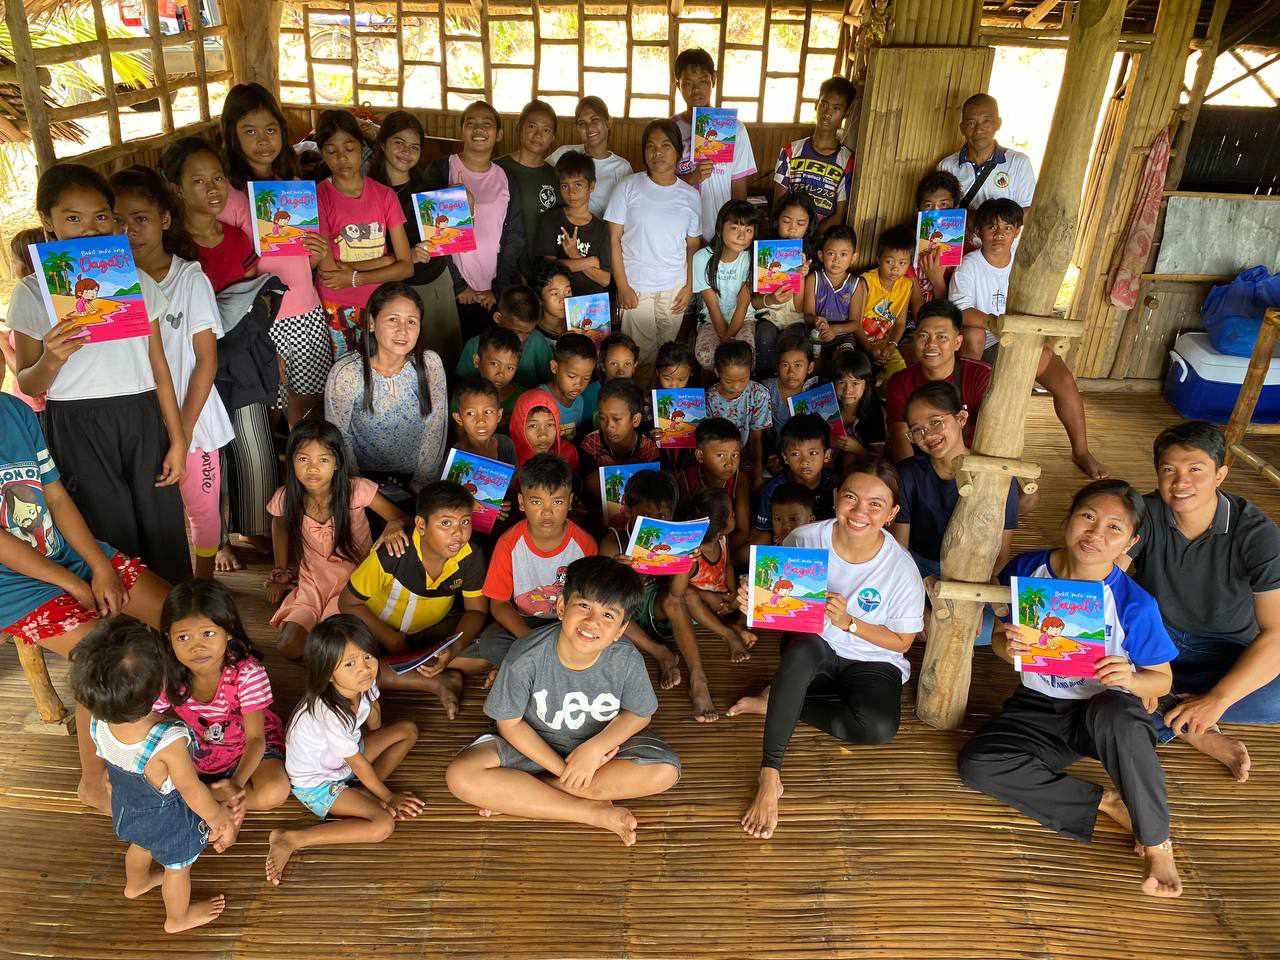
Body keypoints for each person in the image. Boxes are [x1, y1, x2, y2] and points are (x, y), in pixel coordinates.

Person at [959, 479, 1183, 899]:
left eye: (1115, 529)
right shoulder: (1026, 572)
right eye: (1089, 517)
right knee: (979, 764)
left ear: (1128, 544)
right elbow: (1002, 643)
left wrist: (1132, 679)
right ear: (1068, 518)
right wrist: (1007, 645)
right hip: (1038, 704)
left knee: (1117, 713)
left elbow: (1162, 678)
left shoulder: (1134, 603)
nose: (1096, 534)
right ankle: (1107, 802)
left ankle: (1157, 845)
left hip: (1105, 709)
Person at [9, 163, 191, 585]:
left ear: (114, 219)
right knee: (109, 529)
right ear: (47, 222)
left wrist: (178, 439)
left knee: (162, 525)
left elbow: (159, 367)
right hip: (77, 421)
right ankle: (129, 632)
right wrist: (52, 358)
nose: (89, 229)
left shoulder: (136, 282)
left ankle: (181, 625)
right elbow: (28, 382)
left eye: (100, 216)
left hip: (143, 415)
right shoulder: (33, 292)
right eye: (73, 218)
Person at [729, 462, 925, 840]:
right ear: (836, 498)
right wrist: (752, 600)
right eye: (851, 498)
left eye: (875, 505)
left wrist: (851, 623)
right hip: (814, 647)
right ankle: (770, 774)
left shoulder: (901, 568)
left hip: (871, 657)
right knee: (801, 654)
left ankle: (781, 701)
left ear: (891, 514)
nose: (859, 513)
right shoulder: (805, 539)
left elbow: (903, 641)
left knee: (879, 727)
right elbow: (778, 600)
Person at [0, 391, 171, 813]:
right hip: (10, 581)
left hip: (62, 551)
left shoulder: (15, 411)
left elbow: (55, 497)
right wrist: (75, 586)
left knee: (181, 614)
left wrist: (99, 567)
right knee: (102, 652)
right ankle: (93, 781)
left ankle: (199, 723)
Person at [445, 556, 681, 845]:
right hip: (531, 747)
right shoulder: (524, 656)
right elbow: (509, 725)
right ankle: (591, 812)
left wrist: (593, 750)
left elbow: (640, 713)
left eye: (609, 615)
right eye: (584, 606)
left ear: (621, 629)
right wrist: (564, 770)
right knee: (461, 775)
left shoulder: (626, 658)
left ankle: (524, 795)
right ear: (560, 607)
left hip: (600, 754)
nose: (592, 621)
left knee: (664, 772)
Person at [1126, 421, 1280, 783]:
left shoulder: (1256, 533)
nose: (1181, 483)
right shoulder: (1142, 514)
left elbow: (1275, 632)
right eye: (1169, 470)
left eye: (1196, 469)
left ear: (1220, 474)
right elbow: (1106, 585)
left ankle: (1174, 709)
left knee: (1276, 696)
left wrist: (1219, 700)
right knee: (1090, 670)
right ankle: (1192, 726)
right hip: (1153, 645)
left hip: (1225, 650)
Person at [160, 136, 279, 574]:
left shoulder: (233, 236)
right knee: (209, 452)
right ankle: (219, 536)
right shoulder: (172, 249)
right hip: (194, 366)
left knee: (252, 444)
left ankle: (257, 527)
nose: (212, 190)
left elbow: (249, 283)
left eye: (218, 180)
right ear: (174, 188)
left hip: (240, 355)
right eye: (198, 181)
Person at [70, 619, 236, 932]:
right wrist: (218, 818)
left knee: (140, 847)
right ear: (160, 684)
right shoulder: (167, 739)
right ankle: (177, 918)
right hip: (168, 823)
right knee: (177, 869)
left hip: (127, 808)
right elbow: (191, 790)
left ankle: (137, 884)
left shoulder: (98, 722)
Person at [112, 164, 234, 581]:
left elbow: (206, 361)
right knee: (152, 512)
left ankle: (203, 587)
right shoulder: (109, 286)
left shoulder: (188, 279)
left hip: (193, 418)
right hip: (139, 421)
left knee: (202, 508)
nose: (129, 231)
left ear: (165, 219)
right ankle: (161, 590)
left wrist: (180, 434)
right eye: (118, 221)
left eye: (141, 219)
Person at [950, 198, 1106, 479]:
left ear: (1017, 231)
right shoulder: (969, 267)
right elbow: (959, 312)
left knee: (1066, 382)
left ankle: (1081, 451)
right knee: (976, 336)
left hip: (1023, 340)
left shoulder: (1025, 264)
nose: (999, 235)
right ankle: (976, 433)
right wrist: (996, 324)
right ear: (978, 231)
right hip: (986, 346)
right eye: (991, 227)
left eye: (1007, 228)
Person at [269, 615, 423, 886]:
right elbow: (359, 763)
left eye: (367, 657)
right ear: (328, 672)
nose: (363, 668)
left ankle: (363, 792)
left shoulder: (363, 681)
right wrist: (388, 797)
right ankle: (293, 838)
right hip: (317, 783)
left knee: (407, 730)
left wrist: (374, 713)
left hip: (345, 761)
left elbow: (373, 723)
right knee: (382, 825)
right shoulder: (328, 712)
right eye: (349, 663)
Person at [221, 81, 331, 424]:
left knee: (311, 409)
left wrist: (317, 251)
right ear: (232, 135)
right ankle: (277, 474)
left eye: (270, 129)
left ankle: (304, 475)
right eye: (249, 131)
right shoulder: (227, 193)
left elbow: (306, 261)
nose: (262, 140)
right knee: (267, 412)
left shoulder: (293, 184)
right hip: (260, 318)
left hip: (306, 309)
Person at [338, 480, 490, 717]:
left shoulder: (471, 556)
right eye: (445, 523)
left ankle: (419, 667)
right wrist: (391, 639)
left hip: (427, 636)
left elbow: (476, 611)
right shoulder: (395, 551)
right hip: (377, 632)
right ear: (421, 525)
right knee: (340, 666)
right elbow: (347, 602)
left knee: (488, 654)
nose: (458, 534)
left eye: (465, 522)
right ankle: (436, 682)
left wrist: (453, 648)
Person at [266, 420, 411, 660]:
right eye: (303, 459)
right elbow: (279, 524)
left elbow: (401, 518)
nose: (313, 468)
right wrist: (280, 572)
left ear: (337, 463)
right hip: (311, 583)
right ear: (291, 461)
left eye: (323, 460)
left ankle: (339, 672)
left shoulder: (357, 489)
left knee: (330, 647)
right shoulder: (286, 497)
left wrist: (393, 526)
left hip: (353, 586)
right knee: (289, 647)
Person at [449, 453, 598, 680]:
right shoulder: (509, 544)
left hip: (567, 624)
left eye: (557, 502)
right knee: (491, 642)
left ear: (569, 502)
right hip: (524, 623)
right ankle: (550, 668)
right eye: (536, 501)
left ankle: (525, 670)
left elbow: (591, 603)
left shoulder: (585, 544)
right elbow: (498, 604)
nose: (547, 512)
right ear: (521, 502)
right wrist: (528, 638)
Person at [891, 381, 1015, 644]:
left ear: (961, 417)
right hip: (920, 568)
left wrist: (976, 600)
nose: (928, 434)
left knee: (993, 630)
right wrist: (917, 602)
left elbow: (1000, 554)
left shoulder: (999, 477)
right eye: (917, 430)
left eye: (936, 421)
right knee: (893, 611)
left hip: (975, 572)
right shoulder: (908, 474)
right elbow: (899, 551)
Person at [156, 580, 290, 817]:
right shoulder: (168, 674)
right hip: (202, 749)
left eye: (208, 634)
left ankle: (197, 796)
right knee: (151, 769)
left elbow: (256, 738)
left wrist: (236, 784)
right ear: (169, 638)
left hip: (249, 748)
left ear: (228, 632)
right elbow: (147, 717)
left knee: (275, 790)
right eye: (183, 638)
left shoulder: (247, 673)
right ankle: (205, 795)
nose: (197, 647)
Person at [324, 282, 449, 497]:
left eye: (412, 322)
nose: (403, 330)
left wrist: (422, 484)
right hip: (364, 482)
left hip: (418, 480)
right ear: (371, 323)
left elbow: (435, 427)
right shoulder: (347, 373)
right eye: (393, 319)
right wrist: (361, 490)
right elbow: (340, 437)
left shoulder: (429, 365)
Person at [420, 100, 527, 342]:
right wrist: (458, 286)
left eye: (486, 124)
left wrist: (498, 288)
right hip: (449, 288)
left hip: (492, 289)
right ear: (462, 130)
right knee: (450, 355)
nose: (479, 129)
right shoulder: (441, 170)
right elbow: (431, 236)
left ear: (498, 134)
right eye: (471, 123)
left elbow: (515, 237)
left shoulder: (506, 177)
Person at [606, 118, 702, 379]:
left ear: (678, 153)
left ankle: (661, 409)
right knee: (638, 356)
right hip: (636, 287)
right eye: (651, 146)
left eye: (666, 145)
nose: (657, 152)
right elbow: (614, 239)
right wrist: (622, 286)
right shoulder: (628, 187)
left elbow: (692, 245)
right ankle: (640, 409)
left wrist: (689, 286)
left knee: (666, 356)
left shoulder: (690, 195)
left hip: (674, 287)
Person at [314, 109, 413, 356]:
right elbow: (330, 274)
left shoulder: (385, 195)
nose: (342, 158)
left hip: (381, 305)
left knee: (382, 372)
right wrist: (384, 261)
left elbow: (406, 267)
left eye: (349, 148)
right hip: (337, 306)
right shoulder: (317, 197)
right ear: (321, 153)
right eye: (331, 150)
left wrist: (355, 276)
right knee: (345, 377)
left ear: (362, 148)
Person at [369, 110, 463, 370]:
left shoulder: (428, 188)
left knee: (444, 356)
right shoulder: (368, 190)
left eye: (414, 147)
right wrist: (405, 256)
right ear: (382, 143)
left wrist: (467, 209)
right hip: (394, 287)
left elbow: (451, 236)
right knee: (403, 361)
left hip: (435, 281)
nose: (406, 152)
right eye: (399, 142)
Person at [665, 489, 757, 711]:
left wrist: (733, 593)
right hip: (699, 610)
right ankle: (731, 635)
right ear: (717, 531)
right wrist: (709, 596)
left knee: (751, 583)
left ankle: (738, 624)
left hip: (725, 603)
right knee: (689, 596)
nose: (735, 517)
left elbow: (729, 566)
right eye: (732, 515)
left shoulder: (723, 540)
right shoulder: (693, 555)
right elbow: (676, 594)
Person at [597, 468, 685, 691]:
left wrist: (687, 562)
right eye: (647, 516)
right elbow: (605, 595)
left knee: (679, 601)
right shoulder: (613, 542)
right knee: (610, 610)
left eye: (663, 516)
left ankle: (698, 677)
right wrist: (619, 571)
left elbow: (677, 593)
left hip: (658, 607)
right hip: (627, 610)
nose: (656, 523)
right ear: (628, 511)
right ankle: (662, 653)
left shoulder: (676, 540)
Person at [884, 298, 991, 463]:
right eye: (924, 336)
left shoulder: (981, 376)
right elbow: (901, 441)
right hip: (922, 468)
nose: (931, 344)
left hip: (972, 465)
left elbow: (990, 436)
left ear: (957, 342)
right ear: (914, 339)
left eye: (941, 337)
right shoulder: (900, 383)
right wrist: (917, 483)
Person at [671, 47, 759, 242]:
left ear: (714, 80)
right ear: (678, 85)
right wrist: (691, 178)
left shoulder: (735, 129)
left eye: (703, 81)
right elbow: (661, 183)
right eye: (687, 83)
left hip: (720, 231)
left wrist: (734, 233)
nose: (696, 90)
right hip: (680, 230)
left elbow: (738, 188)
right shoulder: (671, 129)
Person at [821, 225, 912, 380]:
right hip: (858, 341)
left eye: (902, 263)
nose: (895, 269)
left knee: (899, 374)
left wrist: (891, 345)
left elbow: (900, 323)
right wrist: (870, 348)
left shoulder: (906, 285)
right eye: (889, 261)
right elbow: (855, 323)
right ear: (879, 259)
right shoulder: (865, 282)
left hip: (885, 344)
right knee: (859, 373)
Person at [772, 76, 857, 234]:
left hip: (823, 242)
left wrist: (812, 239)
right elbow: (779, 204)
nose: (827, 113)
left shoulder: (847, 161)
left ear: (846, 113)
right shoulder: (790, 152)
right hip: (789, 238)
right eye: (824, 104)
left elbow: (838, 215)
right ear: (816, 104)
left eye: (836, 108)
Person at [750, 413, 839, 554]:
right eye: (795, 454)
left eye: (813, 453)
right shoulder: (773, 490)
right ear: (785, 457)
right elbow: (764, 533)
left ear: (827, 455)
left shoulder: (835, 485)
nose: (805, 461)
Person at [936, 93, 1036, 215]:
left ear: (998, 124)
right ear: (962, 128)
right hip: (960, 235)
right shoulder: (947, 166)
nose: (979, 129)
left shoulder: (1019, 163)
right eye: (971, 123)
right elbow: (938, 211)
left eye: (986, 121)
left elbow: (1028, 211)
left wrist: (985, 223)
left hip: (1000, 235)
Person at [497, 100, 562, 281]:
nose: (538, 134)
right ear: (519, 128)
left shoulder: (555, 176)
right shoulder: (497, 169)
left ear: (553, 138)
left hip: (541, 272)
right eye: (532, 126)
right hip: (499, 269)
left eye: (546, 130)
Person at [753, 190, 817, 374]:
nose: (792, 228)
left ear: (808, 226)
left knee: (794, 343)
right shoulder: (764, 252)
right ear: (776, 221)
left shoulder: (809, 257)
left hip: (794, 318)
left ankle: (791, 382)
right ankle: (765, 379)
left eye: (800, 223)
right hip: (768, 315)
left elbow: (798, 308)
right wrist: (772, 299)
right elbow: (756, 301)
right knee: (764, 336)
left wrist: (800, 276)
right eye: (786, 221)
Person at [535, 151, 613, 300]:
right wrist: (589, 261)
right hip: (556, 301)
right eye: (565, 186)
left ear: (591, 186)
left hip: (592, 303)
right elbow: (547, 270)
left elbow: (605, 279)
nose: (572, 192)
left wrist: (574, 255)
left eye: (578, 184)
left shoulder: (601, 228)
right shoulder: (551, 219)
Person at [693, 199, 758, 371]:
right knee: (707, 355)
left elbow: (742, 306)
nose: (742, 236)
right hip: (711, 320)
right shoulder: (701, 258)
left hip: (743, 320)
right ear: (720, 229)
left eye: (748, 230)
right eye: (735, 228)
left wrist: (728, 340)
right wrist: (724, 339)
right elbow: (712, 306)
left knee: (743, 359)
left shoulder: (751, 258)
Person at [677, 416, 753, 556]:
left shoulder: (739, 480)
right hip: (695, 546)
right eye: (720, 455)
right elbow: (682, 525)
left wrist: (719, 552)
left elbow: (743, 530)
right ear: (700, 456)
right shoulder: (685, 480)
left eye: (735, 455)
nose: (729, 463)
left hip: (726, 545)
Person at [547, 96, 634, 216]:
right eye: (582, 124)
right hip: (560, 229)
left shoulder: (621, 168)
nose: (589, 128)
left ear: (608, 122)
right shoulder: (564, 154)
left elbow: (625, 212)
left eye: (595, 120)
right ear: (577, 128)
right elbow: (539, 175)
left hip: (598, 232)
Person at [581, 378, 660, 510]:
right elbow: (587, 486)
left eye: (616, 419)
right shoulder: (590, 444)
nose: (609, 426)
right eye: (602, 418)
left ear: (635, 420)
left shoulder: (650, 450)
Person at [456, 285, 554, 391]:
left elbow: (551, 383)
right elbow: (462, 387)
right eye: (517, 331)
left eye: (528, 333)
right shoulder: (475, 345)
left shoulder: (537, 342)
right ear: (498, 318)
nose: (521, 339)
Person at [704, 340, 771, 485]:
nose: (736, 387)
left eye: (743, 380)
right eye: (728, 381)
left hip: (746, 454)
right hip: (719, 458)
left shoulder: (759, 394)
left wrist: (758, 472)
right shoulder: (709, 398)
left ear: (750, 371)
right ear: (717, 372)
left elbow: (756, 439)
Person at [908, 171, 964, 310]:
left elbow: (955, 312)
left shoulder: (965, 250)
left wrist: (937, 280)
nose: (936, 211)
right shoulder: (907, 243)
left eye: (943, 205)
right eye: (928, 206)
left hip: (944, 318)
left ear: (956, 207)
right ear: (918, 209)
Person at [762, 326, 818, 456]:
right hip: (775, 453)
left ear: (810, 367)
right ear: (777, 366)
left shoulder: (816, 391)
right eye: (785, 365)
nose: (791, 372)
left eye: (798, 365)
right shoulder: (765, 390)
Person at [828, 346, 887, 470]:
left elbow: (879, 459)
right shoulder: (824, 402)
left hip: (860, 468)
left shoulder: (873, 411)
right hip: (826, 462)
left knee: (850, 457)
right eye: (841, 382)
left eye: (855, 383)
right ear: (833, 383)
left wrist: (858, 449)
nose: (848, 390)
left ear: (866, 385)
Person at [535, 332, 597, 443]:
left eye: (586, 378)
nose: (579, 384)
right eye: (572, 376)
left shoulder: (579, 401)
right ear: (554, 367)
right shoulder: (538, 400)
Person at [451, 376, 517, 466]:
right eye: (470, 413)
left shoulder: (506, 445)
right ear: (459, 418)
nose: (481, 421)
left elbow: (513, 477)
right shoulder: (453, 457)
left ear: (499, 415)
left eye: (488, 412)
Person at [464, 326, 523, 426]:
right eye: (494, 364)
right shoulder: (463, 396)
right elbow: (460, 436)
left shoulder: (523, 399)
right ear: (477, 360)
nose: (501, 374)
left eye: (510, 368)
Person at [765, 480, 816, 546]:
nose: (785, 527)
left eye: (793, 519)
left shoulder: (819, 546)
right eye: (778, 519)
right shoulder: (768, 553)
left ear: (811, 521)